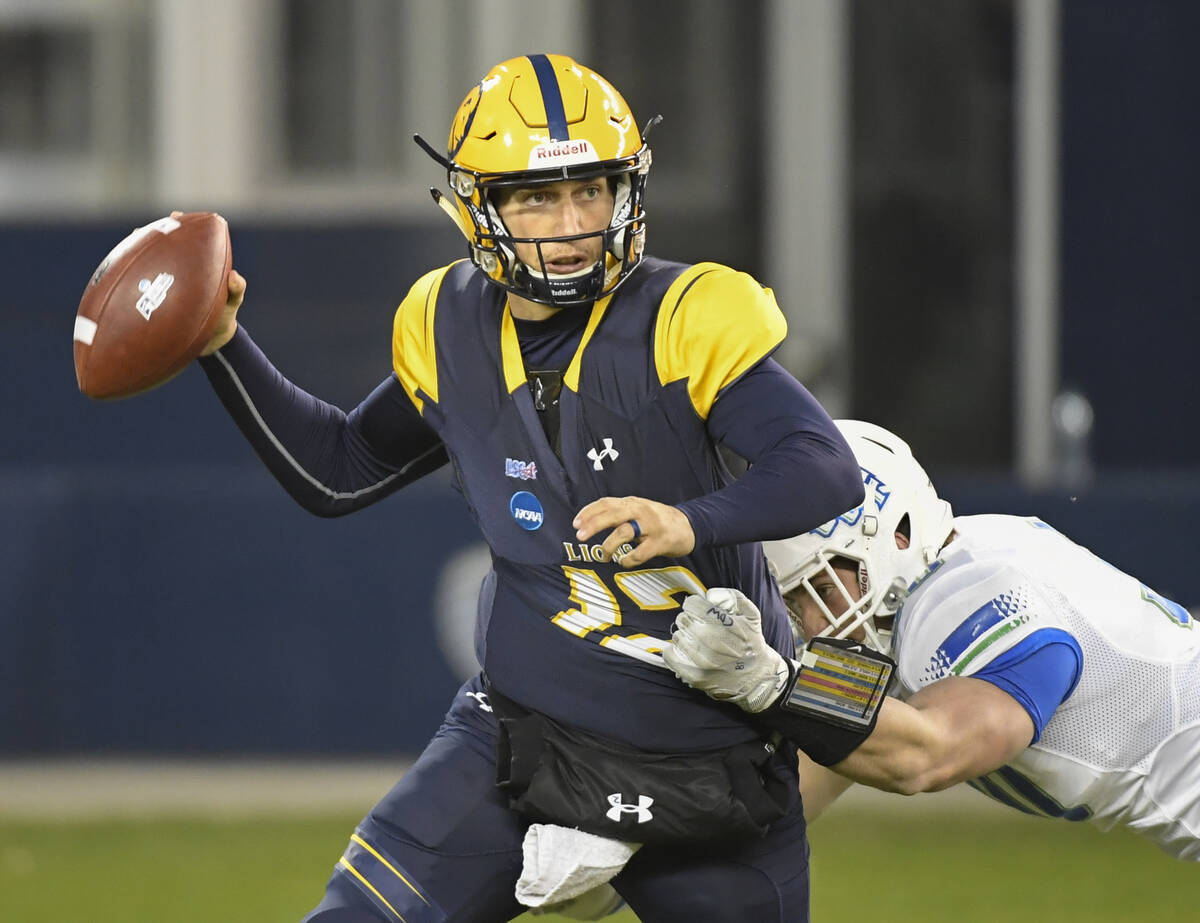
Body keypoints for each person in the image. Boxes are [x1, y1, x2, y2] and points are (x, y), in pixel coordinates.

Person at [194, 54, 866, 921]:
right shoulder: (444, 322)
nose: (572, 223)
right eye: (535, 198)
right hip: (517, 738)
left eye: (590, 190)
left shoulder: (686, 314)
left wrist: (688, 520)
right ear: (477, 208)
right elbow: (340, 469)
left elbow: (821, 465)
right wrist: (221, 342)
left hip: (706, 752)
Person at [663, 419, 1200, 861]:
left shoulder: (961, 597)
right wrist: (641, 854)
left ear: (898, 533)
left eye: (821, 587)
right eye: (795, 602)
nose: (814, 625)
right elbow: (803, 776)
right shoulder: (920, 590)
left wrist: (773, 684)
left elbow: (928, 753)